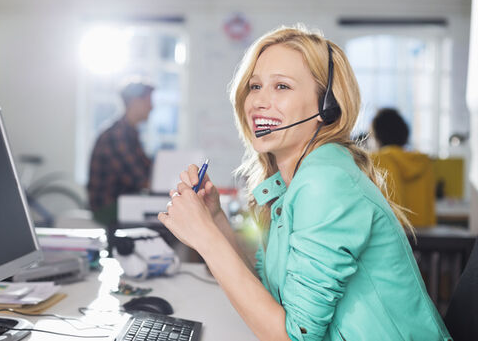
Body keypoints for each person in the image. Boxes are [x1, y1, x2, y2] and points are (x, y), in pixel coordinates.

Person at [157, 26, 450, 341]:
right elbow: (269, 290)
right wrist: (214, 219)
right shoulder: (292, 182)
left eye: (282, 86)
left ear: (327, 107)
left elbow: (295, 336)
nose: (258, 101)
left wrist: (205, 240)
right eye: (254, 86)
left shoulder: (326, 181)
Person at [87, 79, 154, 226]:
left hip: (124, 202)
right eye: (148, 101)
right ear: (136, 102)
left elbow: (147, 169)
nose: (152, 107)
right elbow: (141, 179)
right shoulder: (117, 135)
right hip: (107, 207)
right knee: (165, 218)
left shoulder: (130, 132)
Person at [371, 108, 436, 228]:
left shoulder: (378, 160)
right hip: (425, 239)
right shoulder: (423, 161)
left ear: (377, 136)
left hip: (396, 238)